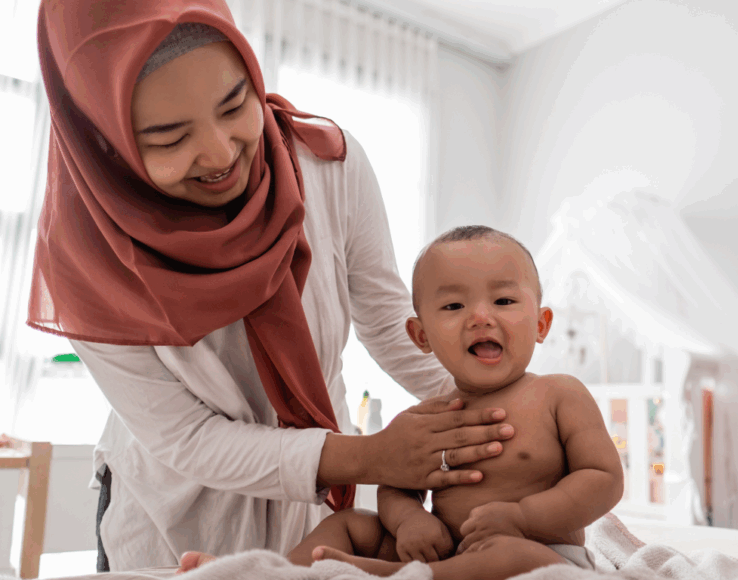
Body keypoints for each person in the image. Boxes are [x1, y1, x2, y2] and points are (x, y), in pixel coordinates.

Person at [29, 1, 513, 571]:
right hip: (177, 512)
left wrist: (503, 409)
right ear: (105, 142)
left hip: (316, 503)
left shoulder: (329, 166)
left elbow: (385, 320)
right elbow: (188, 439)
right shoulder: (88, 261)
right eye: (168, 139)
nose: (219, 152)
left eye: (236, 104)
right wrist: (370, 457)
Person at [179, 225, 625, 579]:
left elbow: (603, 477)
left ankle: (409, 576)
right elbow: (396, 484)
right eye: (453, 306)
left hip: (539, 552)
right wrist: (411, 520)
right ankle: (274, 575)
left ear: (541, 323)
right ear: (421, 336)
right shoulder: (426, 419)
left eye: (504, 300)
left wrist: (525, 517)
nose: (480, 316)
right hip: (446, 547)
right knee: (352, 523)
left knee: (513, 556)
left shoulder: (559, 394)